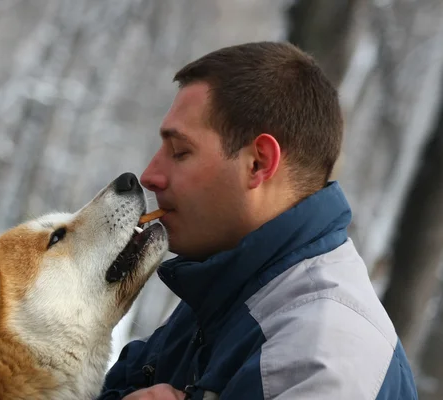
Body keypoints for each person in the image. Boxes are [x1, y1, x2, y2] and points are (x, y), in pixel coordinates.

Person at [96, 42, 418, 400]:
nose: (150, 175)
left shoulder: (321, 357)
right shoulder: (226, 295)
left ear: (259, 163)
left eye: (180, 152)